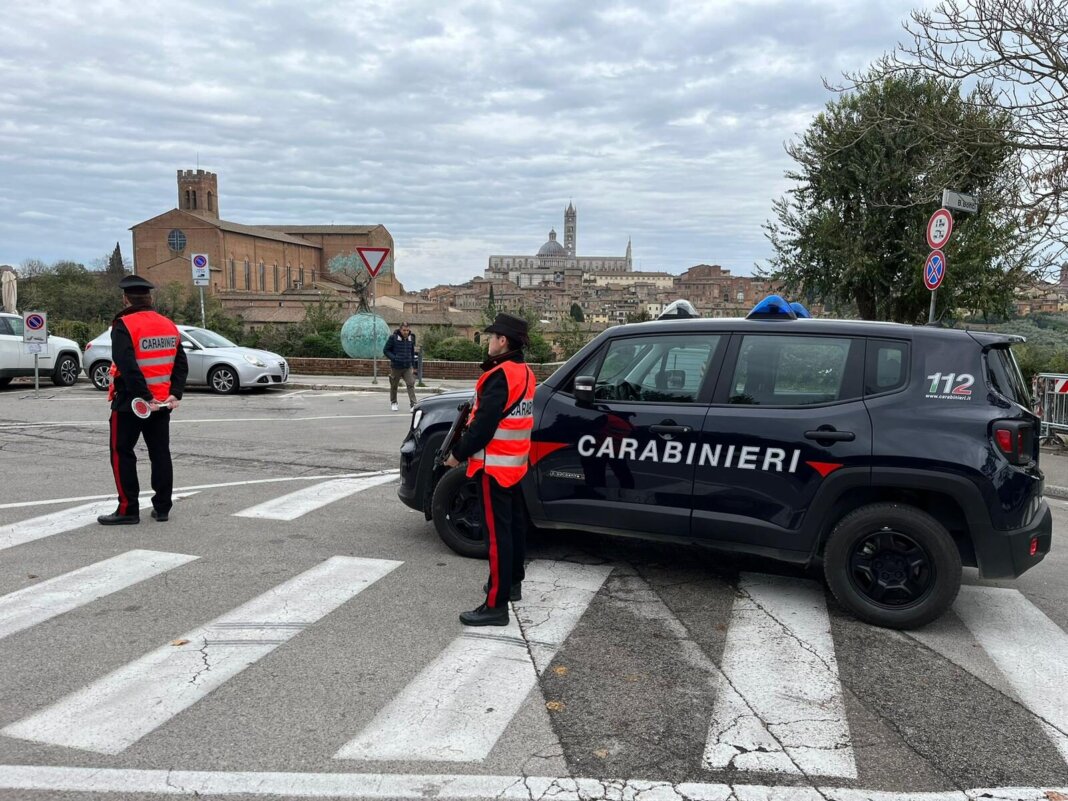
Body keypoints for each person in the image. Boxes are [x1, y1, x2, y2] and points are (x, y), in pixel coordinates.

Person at [444, 313, 536, 626]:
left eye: (491, 336)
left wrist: (457, 454)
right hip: (515, 464)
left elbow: (483, 426)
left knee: (497, 537)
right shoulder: (525, 372)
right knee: (514, 528)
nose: (488, 341)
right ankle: (512, 585)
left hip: (495, 465)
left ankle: (495, 606)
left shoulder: (498, 376)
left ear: (503, 341)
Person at [97, 275, 188, 525]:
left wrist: (142, 396)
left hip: (130, 403)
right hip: (161, 403)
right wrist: (175, 393)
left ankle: (128, 509)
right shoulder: (168, 325)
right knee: (160, 453)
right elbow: (181, 363)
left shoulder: (123, 324)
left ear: (126, 299)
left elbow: (126, 364)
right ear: (149, 298)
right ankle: (162, 508)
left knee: (122, 451)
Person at [383, 321, 417, 411]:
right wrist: (394, 358)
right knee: (394, 385)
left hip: (407, 367)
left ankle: (413, 404)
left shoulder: (411, 338)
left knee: (411, 384)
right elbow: (386, 350)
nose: (406, 332)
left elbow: (412, 352)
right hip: (396, 367)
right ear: (400, 329)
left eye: (407, 330)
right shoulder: (393, 338)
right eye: (404, 330)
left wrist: (413, 366)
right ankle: (394, 402)